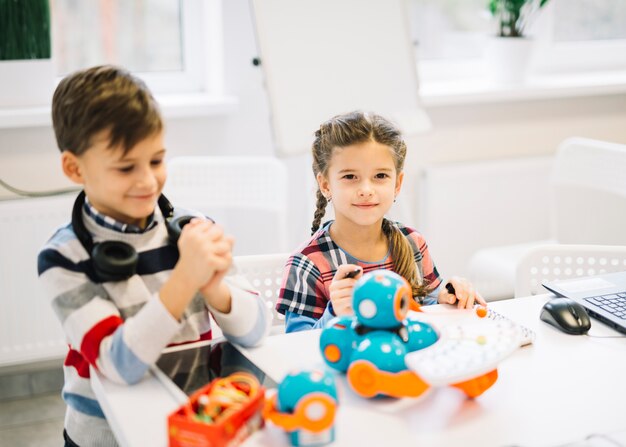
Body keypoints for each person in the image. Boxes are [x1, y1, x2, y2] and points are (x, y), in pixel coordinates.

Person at [37, 65, 270, 447]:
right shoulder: (63, 258)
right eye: (126, 167)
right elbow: (119, 364)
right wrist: (183, 281)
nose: (147, 180)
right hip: (108, 437)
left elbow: (256, 328)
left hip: (193, 424)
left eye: (157, 161)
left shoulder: (192, 230)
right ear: (74, 167)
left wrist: (215, 290)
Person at [276, 111, 486, 333]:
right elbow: (297, 344)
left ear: (397, 183)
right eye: (349, 177)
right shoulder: (307, 263)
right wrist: (334, 313)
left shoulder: (413, 243)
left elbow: (426, 309)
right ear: (325, 185)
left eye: (380, 176)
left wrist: (448, 297)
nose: (366, 190)